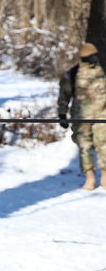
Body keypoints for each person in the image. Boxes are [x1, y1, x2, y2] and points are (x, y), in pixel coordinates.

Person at [58, 42, 106, 190]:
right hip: (80, 117)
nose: (93, 58)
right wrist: (62, 113)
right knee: (84, 147)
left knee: (104, 146)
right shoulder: (73, 73)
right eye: (90, 56)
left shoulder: (103, 70)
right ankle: (89, 177)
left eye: (94, 55)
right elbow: (64, 94)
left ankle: (105, 177)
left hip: (102, 116)